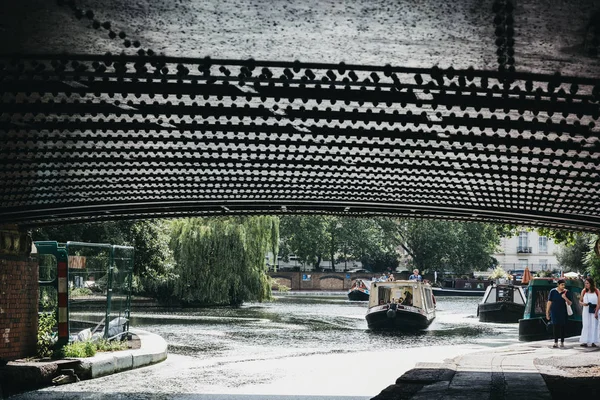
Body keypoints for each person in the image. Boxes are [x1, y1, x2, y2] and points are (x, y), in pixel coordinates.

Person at [545, 279, 573, 348]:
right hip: (554, 311)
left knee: (562, 326)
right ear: (558, 285)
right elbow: (549, 302)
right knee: (555, 326)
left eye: (564, 285)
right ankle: (555, 342)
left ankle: (562, 342)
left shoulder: (566, 292)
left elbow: (570, 303)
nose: (563, 286)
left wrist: (565, 297)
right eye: (562, 285)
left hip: (563, 311)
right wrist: (547, 312)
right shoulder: (553, 291)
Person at [579, 277, 600, 347]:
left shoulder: (597, 291)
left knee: (594, 325)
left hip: (594, 309)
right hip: (586, 310)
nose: (586, 285)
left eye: (587, 283)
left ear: (591, 284)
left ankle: (593, 341)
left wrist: (596, 312)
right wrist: (583, 304)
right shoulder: (584, 291)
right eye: (585, 283)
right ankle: (585, 340)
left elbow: (598, 303)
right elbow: (580, 301)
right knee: (586, 325)